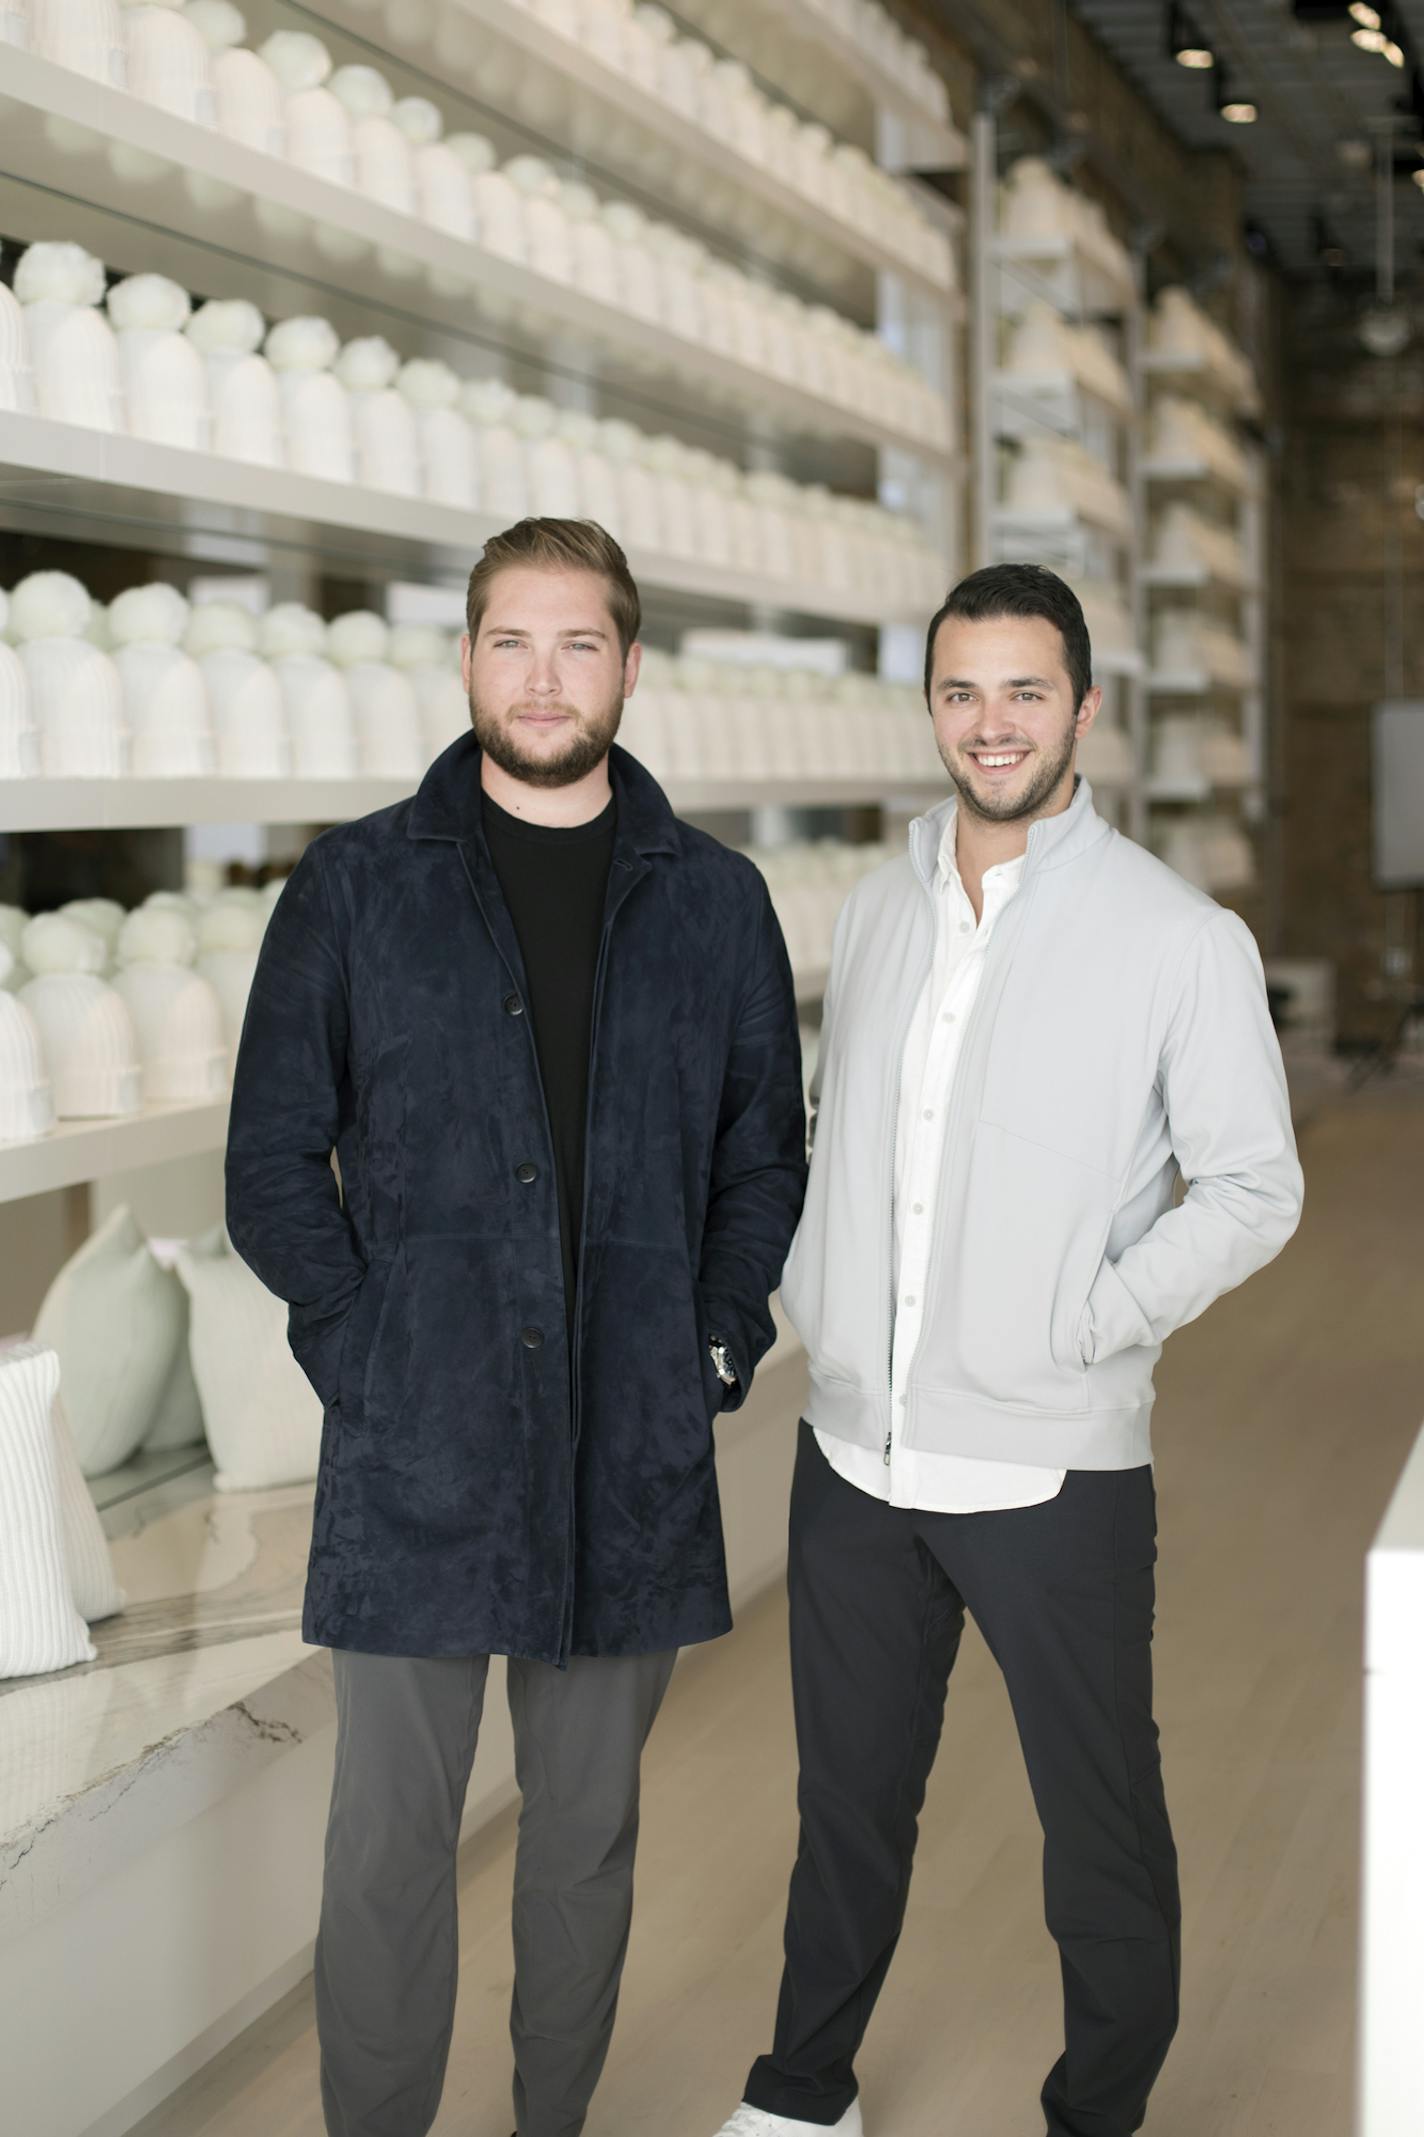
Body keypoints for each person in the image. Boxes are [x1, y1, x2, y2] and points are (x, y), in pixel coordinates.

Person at [226, 516, 807, 2137]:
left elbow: (765, 1153)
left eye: (576, 644)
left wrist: (707, 1345)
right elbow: (271, 1163)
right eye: (509, 641)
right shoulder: (352, 888)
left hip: (626, 1443)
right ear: (468, 657)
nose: (541, 677)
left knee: (585, 1842)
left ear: (628, 664)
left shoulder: (718, 903)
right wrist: (366, 1351)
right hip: (416, 1453)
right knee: (391, 1845)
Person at [713, 563, 1304, 2137]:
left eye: (1026, 690)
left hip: (1050, 1462)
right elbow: (856, 1146)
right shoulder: (881, 903)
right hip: (857, 1449)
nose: (993, 724)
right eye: (963, 692)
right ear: (931, 707)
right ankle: (801, 2091)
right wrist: (818, 1315)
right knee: (844, 1808)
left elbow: (1257, 1183)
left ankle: (1095, 2112)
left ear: (1084, 707)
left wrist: (1088, 1321)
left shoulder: (1177, 936)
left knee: (1096, 1830)